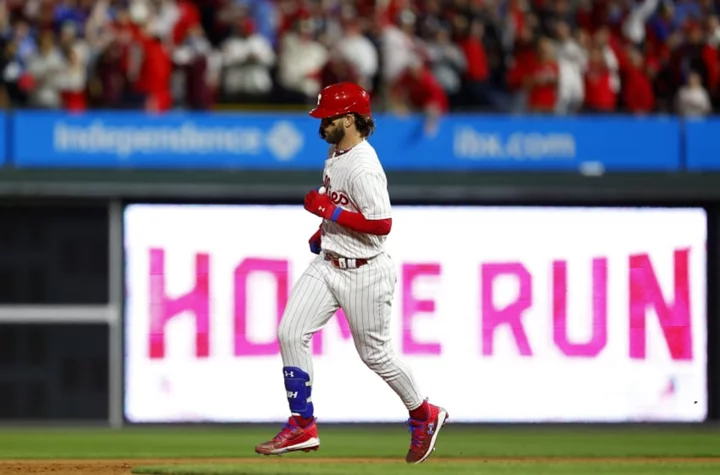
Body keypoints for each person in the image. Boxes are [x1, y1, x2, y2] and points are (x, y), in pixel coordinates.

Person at [254, 82, 448, 464]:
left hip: (366, 272)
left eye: (328, 117)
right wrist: (322, 231)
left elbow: (382, 224)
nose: (322, 122)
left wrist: (329, 213)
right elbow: (343, 209)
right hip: (329, 263)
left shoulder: (364, 166)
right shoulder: (336, 152)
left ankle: (424, 414)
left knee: (376, 355)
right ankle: (302, 425)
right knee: (290, 332)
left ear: (349, 119)